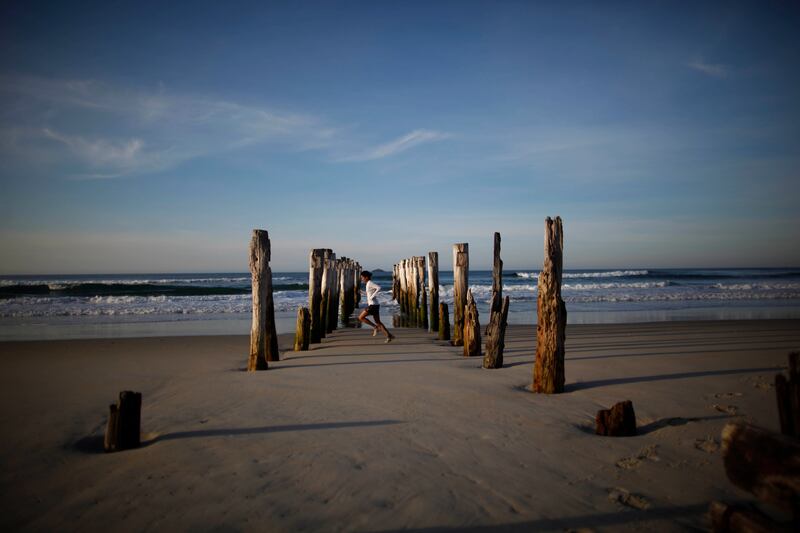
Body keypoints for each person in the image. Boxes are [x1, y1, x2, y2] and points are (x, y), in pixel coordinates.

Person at [358, 271, 395, 343]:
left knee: (361, 317)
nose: (362, 279)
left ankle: (375, 327)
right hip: (375, 305)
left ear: (366, 277)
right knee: (378, 322)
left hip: (373, 305)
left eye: (362, 277)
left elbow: (379, 287)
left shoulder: (370, 283)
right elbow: (369, 293)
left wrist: (372, 296)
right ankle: (389, 336)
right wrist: (363, 292)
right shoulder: (368, 284)